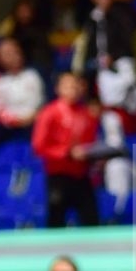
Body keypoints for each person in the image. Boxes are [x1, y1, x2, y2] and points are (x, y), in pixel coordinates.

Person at [31, 71, 102, 229]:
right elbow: (39, 146)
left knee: (91, 220)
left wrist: (93, 154)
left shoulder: (86, 114)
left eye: (76, 85)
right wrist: (67, 153)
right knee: (56, 220)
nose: (73, 89)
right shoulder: (49, 113)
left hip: (82, 175)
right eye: (68, 85)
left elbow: (91, 142)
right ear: (58, 88)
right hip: (59, 175)